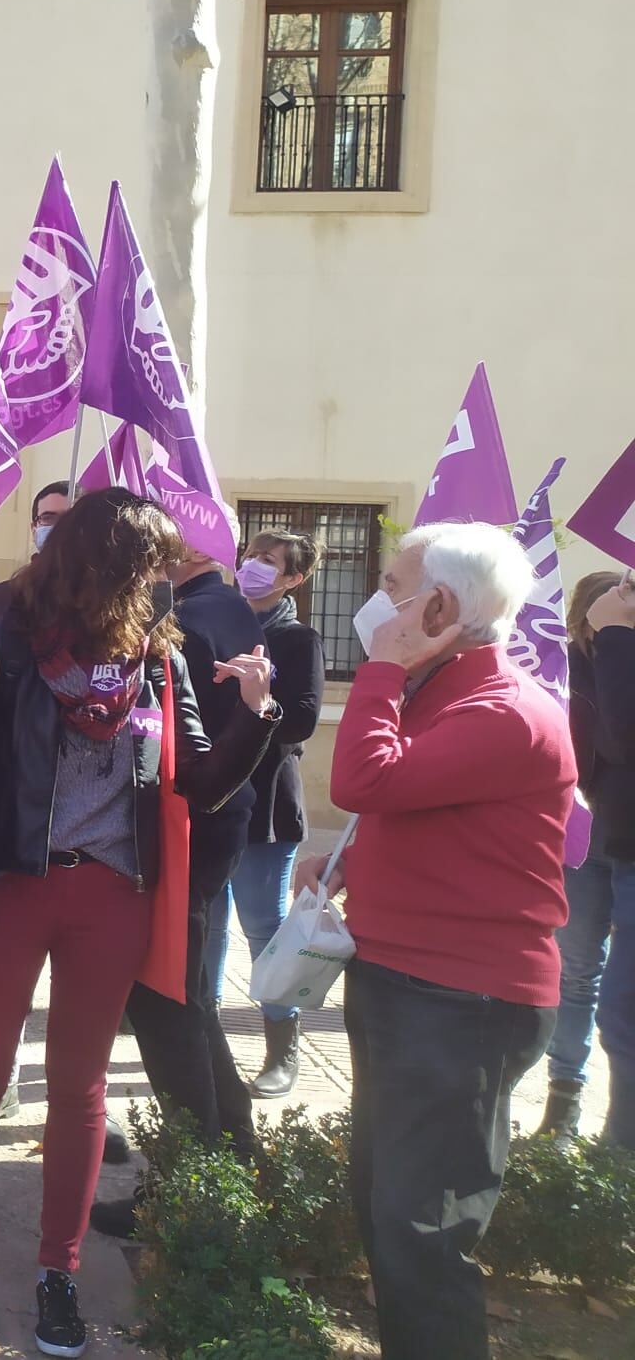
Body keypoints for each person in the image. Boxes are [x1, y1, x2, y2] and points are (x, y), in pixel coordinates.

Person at [0, 488, 277, 1358]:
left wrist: (259, 714)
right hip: (15, 884)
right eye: (149, 565)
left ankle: (57, 1269)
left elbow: (200, 785)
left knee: (78, 1088)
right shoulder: (9, 632)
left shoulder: (154, 655)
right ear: (106, 562)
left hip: (113, 893)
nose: (164, 580)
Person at [301, 522, 572, 1359]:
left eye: (393, 584)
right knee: (387, 1207)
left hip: (463, 1003)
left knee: (424, 1231)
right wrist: (351, 858)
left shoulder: (505, 710)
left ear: (442, 605)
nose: (378, 599)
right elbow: (405, 804)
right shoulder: (443, 691)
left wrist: (380, 667)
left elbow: (363, 777)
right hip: (402, 980)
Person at [97, 519, 269, 1240]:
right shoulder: (194, 619)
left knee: (174, 1015)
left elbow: (197, 770)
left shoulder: (172, 640)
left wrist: (261, 712)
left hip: (174, 858)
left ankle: (199, 1195)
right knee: (187, 1010)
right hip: (169, 854)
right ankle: (233, 1160)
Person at [206, 529, 324, 1097]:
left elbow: (301, 719)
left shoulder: (297, 639)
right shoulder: (208, 618)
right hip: (208, 796)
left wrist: (259, 702)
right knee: (204, 927)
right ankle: (199, 1036)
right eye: (250, 555)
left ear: (293, 579)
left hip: (266, 806)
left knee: (264, 929)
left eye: (269, 561)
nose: (253, 566)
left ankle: (283, 1044)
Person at [538, 570, 635, 1145]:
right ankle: (563, 1098)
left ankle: (616, 1142)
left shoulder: (622, 660)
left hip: (621, 835)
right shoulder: (563, 669)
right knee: (576, 971)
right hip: (584, 836)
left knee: (620, 999)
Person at [0, 480, 71, 630]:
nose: (60, 527)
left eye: (70, 519)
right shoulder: (0, 599)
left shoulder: (109, 602)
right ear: (34, 529)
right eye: (48, 518)